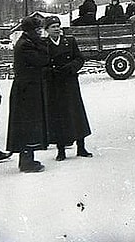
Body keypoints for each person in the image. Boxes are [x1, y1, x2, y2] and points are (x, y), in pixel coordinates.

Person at [43, 16, 92, 161]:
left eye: (58, 26)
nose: (57, 29)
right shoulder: (44, 45)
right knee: (58, 117)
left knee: (76, 114)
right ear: (47, 30)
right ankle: (61, 150)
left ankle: (81, 147)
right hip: (54, 85)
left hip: (70, 83)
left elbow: (79, 58)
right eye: (53, 26)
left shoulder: (69, 41)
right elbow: (42, 65)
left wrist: (70, 68)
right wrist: (52, 72)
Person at [6, 16, 50, 173]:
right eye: (37, 30)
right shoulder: (26, 45)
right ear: (31, 31)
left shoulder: (27, 42)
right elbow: (43, 60)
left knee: (29, 123)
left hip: (27, 89)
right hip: (26, 91)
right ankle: (26, 162)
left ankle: (27, 158)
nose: (40, 33)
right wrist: (44, 43)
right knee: (27, 124)